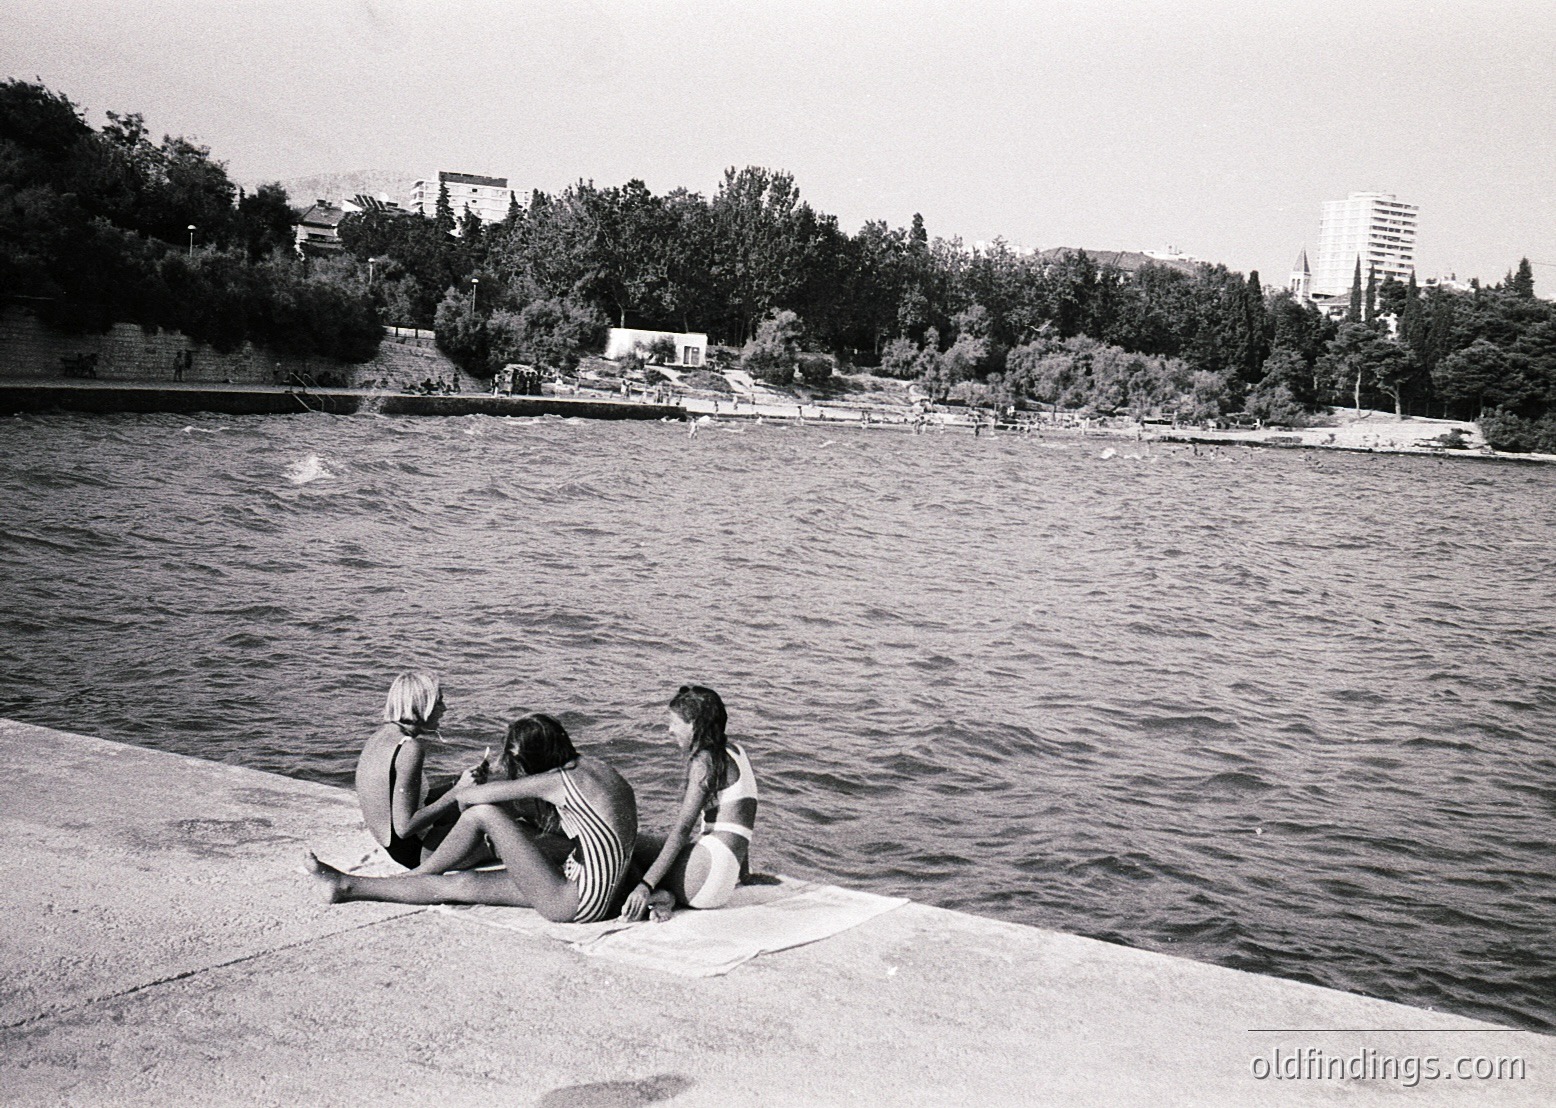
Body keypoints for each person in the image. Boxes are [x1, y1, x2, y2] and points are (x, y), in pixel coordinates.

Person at [314, 714, 638, 924]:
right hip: (595, 892)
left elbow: (470, 798)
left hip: (573, 902)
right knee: (463, 884)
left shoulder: (555, 782)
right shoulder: (596, 769)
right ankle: (347, 886)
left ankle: (417, 874)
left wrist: (483, 781)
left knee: (485, 814)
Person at [620, 685, 757, 922]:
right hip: (722, 884)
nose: (669, 730)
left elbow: (683, 829)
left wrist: (645, 884)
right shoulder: (736, 752)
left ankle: (653, 895)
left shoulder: (705, 760)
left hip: (703, 876)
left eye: (674, 722)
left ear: (693, 724)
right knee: (655, 846)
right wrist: (743, 874)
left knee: (625, 843)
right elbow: (741, 822)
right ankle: (669, 897)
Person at [354, 671, 484, 869]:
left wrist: (457, 784)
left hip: (398, 848)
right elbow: (405, 828)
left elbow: (399, 801)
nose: (445, 709)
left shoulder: (380, 737)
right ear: (422, 704)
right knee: (509, 832)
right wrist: (456, 793)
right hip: (417, 852)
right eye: (439, 702)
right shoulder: (409, 749)